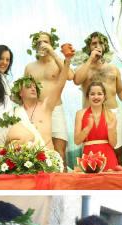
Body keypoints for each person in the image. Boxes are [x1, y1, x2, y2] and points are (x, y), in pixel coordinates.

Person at [74, 32, 122, 165]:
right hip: (92, 115)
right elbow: (77, 80)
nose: (98, 46)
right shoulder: (84, 68)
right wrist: (90, 60)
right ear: (88, 47)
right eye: (94, 43)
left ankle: (120, 183)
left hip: (112, 113)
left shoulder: (113, 69)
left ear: (105, 46)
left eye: (101, 43)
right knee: (92, 153)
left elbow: (120, 90)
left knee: (117, 151)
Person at [10, 43, 73, 154]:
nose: (33, 88)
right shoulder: (16, 112)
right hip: (25, 160)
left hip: (48, 160)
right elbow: (10, 140)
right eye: (29, 87)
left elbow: (61, 83)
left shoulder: (45, 107)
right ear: (20, 92)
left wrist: (67, 60)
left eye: (35, 86)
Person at [24, 31, 75, 163]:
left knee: (60, 151)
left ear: (52, 44)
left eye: (45, 42)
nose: (42, 45)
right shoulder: (30, 67)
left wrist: (53, 53)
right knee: (39, 149)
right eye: (39, 42)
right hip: (38, 112)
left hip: (56, 108)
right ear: (35, 46)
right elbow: (24, 89)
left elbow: (69, 76)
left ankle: (63, 181)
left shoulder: (57, 62)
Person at [74, 81, 118, 170]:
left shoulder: (111, 115)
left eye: (99, 94)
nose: (96, 97)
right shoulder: (80, 114)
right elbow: (77, 141)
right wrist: (88, 128)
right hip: (88, 158)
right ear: (88, 96)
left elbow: (113, 144)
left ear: (104, 96)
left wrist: (110, 130)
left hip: (108, 157)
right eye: (92, 94)